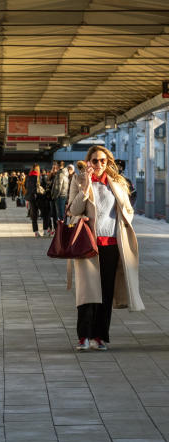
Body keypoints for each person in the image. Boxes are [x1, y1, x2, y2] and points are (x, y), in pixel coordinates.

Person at [66, 145, 143, 351]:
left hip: (111, 245)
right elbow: (73, 209)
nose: (99, 164)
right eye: (94, 161)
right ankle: (84, 337)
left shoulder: (117, 182)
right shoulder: (79, 179)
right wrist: (86, 187)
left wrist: (125, 222)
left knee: (105, 293)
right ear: (88, 162)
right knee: (86, 293)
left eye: (103, 161)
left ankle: (100, 337)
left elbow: (128, 207)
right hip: (87, 244)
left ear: (108, 162)